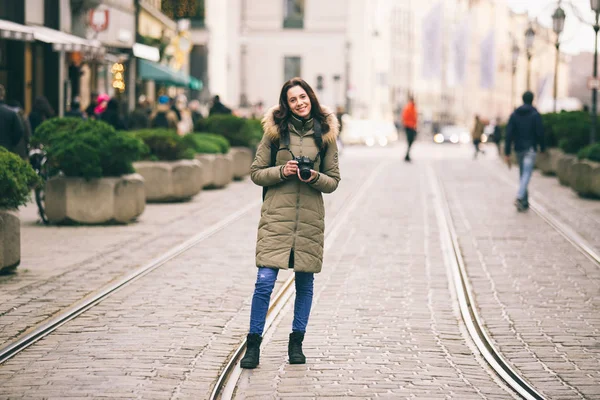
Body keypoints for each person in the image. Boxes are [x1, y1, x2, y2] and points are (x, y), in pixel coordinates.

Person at [240, 77, 341, 369]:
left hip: (309, 218)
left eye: (303, 97)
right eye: (292, 99)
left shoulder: (325, 135)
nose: (299, 103)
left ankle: (296, 343)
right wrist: (283, 170)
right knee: (264, 282)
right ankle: (253, 344)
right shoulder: (274, 133)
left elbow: (333, 181)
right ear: (286, 104)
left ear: (311, 97)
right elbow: (257, 172)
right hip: (277, 216)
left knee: (305, 282)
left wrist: (314, 177)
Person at [504, 91, 545, 212]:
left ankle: (524, 202)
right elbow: (540, 133)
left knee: (523, 175)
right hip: (530, 148)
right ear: (532, 99)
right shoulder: (535, 114)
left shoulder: (515, 114)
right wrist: (542, 147)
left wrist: (507, 152)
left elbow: (508, 134)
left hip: (519, 149)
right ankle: (520, 196)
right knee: (526, 174)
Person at [0, 85, 25, 156]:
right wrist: (11, 143)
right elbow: (19, 131)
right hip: (7, 150)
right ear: (3, 95)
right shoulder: (11, 113)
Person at [401, 96, 417, 162]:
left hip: (411, 126)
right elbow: (406, 117)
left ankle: (407, 155)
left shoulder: (413, 107)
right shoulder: (409, 107)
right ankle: (407, 155)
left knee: (410, 141)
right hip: (409, 127)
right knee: (410, 141)